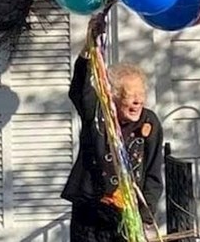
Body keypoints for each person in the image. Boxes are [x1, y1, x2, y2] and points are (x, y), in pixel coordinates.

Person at [62, 15, 164, 241]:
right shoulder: (98, 114)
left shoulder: (150, 122)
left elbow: (153, 173)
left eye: (141, 95)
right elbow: (79, 89)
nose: (137, 101)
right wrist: (90, 44)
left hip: (127, 213)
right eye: (130, 96)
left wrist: (146, 218)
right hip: (90, 211)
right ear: (114, 97)